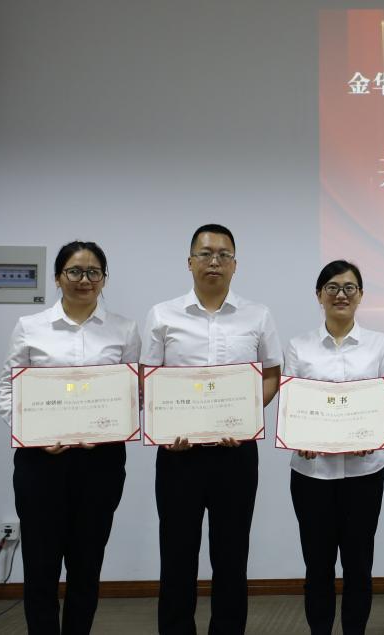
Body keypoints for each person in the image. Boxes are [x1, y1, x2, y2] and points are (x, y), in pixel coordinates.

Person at [141, 224, 282, 635]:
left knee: (232, 556)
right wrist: (166, 429)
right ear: (189, 262)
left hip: (235, 453)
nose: (214, 261)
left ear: (235, 265)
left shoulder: (258, 315)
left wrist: (244, 418)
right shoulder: (162, 315)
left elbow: (271, 375)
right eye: (205, 254)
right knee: (177, 555)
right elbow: (148, 379)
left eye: (223, 254)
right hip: (178, 455)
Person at [0, 241, 141, 635]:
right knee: (40, 566)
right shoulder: (30, 327)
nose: (84, 280)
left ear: (104, 279)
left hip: (101, 463)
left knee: (86, 565)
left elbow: (133, 393)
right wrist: (33, 433)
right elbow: (8, 390)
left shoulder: (124, 329)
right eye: (75, 271)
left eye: (94, 272)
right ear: (58, 277)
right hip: (40, 462)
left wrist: (112, 426)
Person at [284, 260, 384, 635]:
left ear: (361, 295)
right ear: (319, 295)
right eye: (332, 287)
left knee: (358, 566)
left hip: (364, 474)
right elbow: (292, 405)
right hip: (312, 475)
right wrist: (299, 437)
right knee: (317, 566)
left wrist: (372, 432)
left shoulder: (380, 344)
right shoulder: (298, 346)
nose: (341, 295)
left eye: (349, 288)